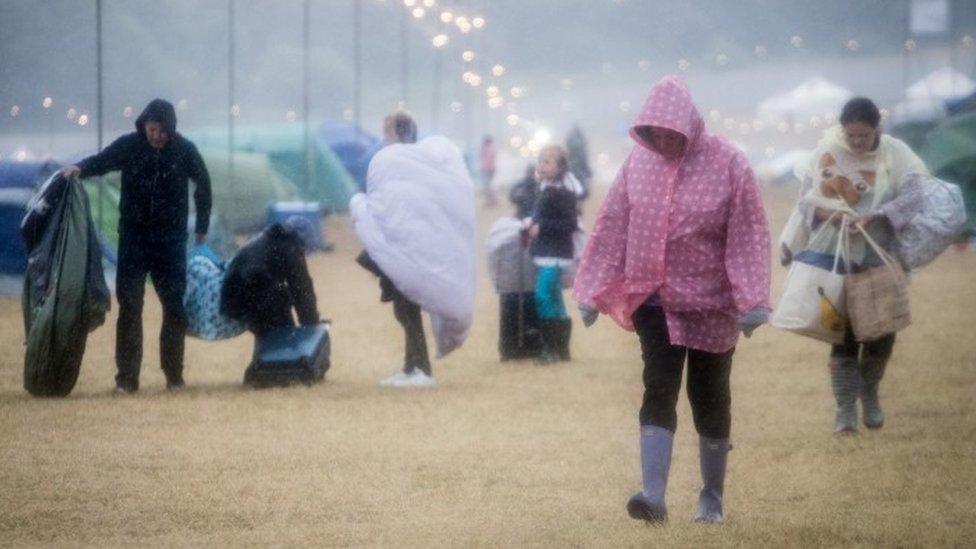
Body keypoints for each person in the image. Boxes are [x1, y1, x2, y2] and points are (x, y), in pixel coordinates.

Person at [573, 75, 771, 524]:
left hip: (710, 306)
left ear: (689, 127)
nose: (662, 142)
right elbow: (611, 227)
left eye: (670, 134)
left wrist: (752, 298)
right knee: (658, 387)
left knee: (709, 397)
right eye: (654, 134)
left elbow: (747, 234)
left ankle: (711, 498)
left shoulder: (729, 163)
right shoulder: (636, 164)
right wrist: (590, 290)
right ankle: (653, 496)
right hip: (654, 302)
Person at [796, 97, 928, 435]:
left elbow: (914, 196)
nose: (857, 143)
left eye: (864, 137)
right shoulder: (828, 152)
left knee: (882, 331)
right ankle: (844, 410)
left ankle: (869, 391)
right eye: (851, 136)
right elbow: (806, 201)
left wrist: (878, 215)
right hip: (835, 258)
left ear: (876, 130)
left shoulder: (895, 153)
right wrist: (832, 215)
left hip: (879, 256)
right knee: (841, 335)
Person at [61, 99, 211, 394]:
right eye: (153, 129)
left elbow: (203, 184)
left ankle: (174, 377)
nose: (157, 136)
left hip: (170, 243)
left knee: (173, 307)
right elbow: (102, 161)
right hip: (134, 241)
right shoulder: (130, 146)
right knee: (130, 307)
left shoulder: (185, 151)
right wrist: (79, 169)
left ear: (172, 130)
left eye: (163, 131)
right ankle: (127, 380)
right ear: (144, 124)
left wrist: (202, 227)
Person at [357, 111, 435, 388]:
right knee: (403, 309)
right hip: (401, 241)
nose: (382, 137)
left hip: (409, 243)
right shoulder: (401, 160)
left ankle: (422, 370)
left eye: (386, 131)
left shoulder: (404, 161)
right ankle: (412, 366)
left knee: (407, 307)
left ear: (397, 133)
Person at [220, 217, 320, 337]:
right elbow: (302, 289)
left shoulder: (270, 239)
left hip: (232, 297)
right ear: (303, 240)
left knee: (268, 333)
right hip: (250, 291)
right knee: (282, 333)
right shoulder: (291, 246)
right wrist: (311, 325)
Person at [523, 145, 578, 363]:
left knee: (543, 295)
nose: (542, 165)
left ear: (561, 167)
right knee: (555, 297)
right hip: (547, 251)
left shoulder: (563, 192)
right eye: (540, 160)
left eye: (548, 162)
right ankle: (561, 349)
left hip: (555, 253)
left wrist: (541, 227)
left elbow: (570, 224)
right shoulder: (545, 188)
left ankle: (550, 350)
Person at [566, 124, 593, 200]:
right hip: (579, 168)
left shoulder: (571, 140)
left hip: (573, 166)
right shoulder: (581, 142)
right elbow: (585, 161)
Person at [480, 135, 498, 207]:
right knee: (489, 185)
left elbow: (483, 157)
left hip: (488, 169)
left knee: (488, 185)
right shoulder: (492, 148)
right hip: (490, 169)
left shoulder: (487, 149)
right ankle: (491, 200)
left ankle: (491, 200)